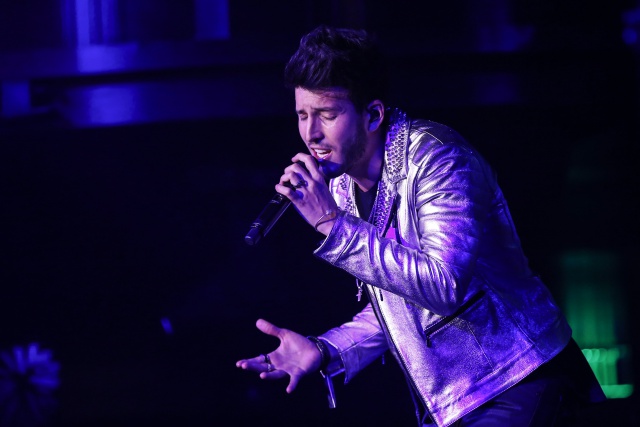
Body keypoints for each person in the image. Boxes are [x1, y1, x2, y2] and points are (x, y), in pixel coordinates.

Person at [235, 25, 606, 426]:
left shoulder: (438, 159)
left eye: (328, 115)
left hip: (522, 377)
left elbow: (443, 287)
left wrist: (333, 226)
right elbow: (401, 304)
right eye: (303, 115)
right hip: (457, 401)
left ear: (373, 114)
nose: (312, 134)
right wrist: (327, 349)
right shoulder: (342, 187)